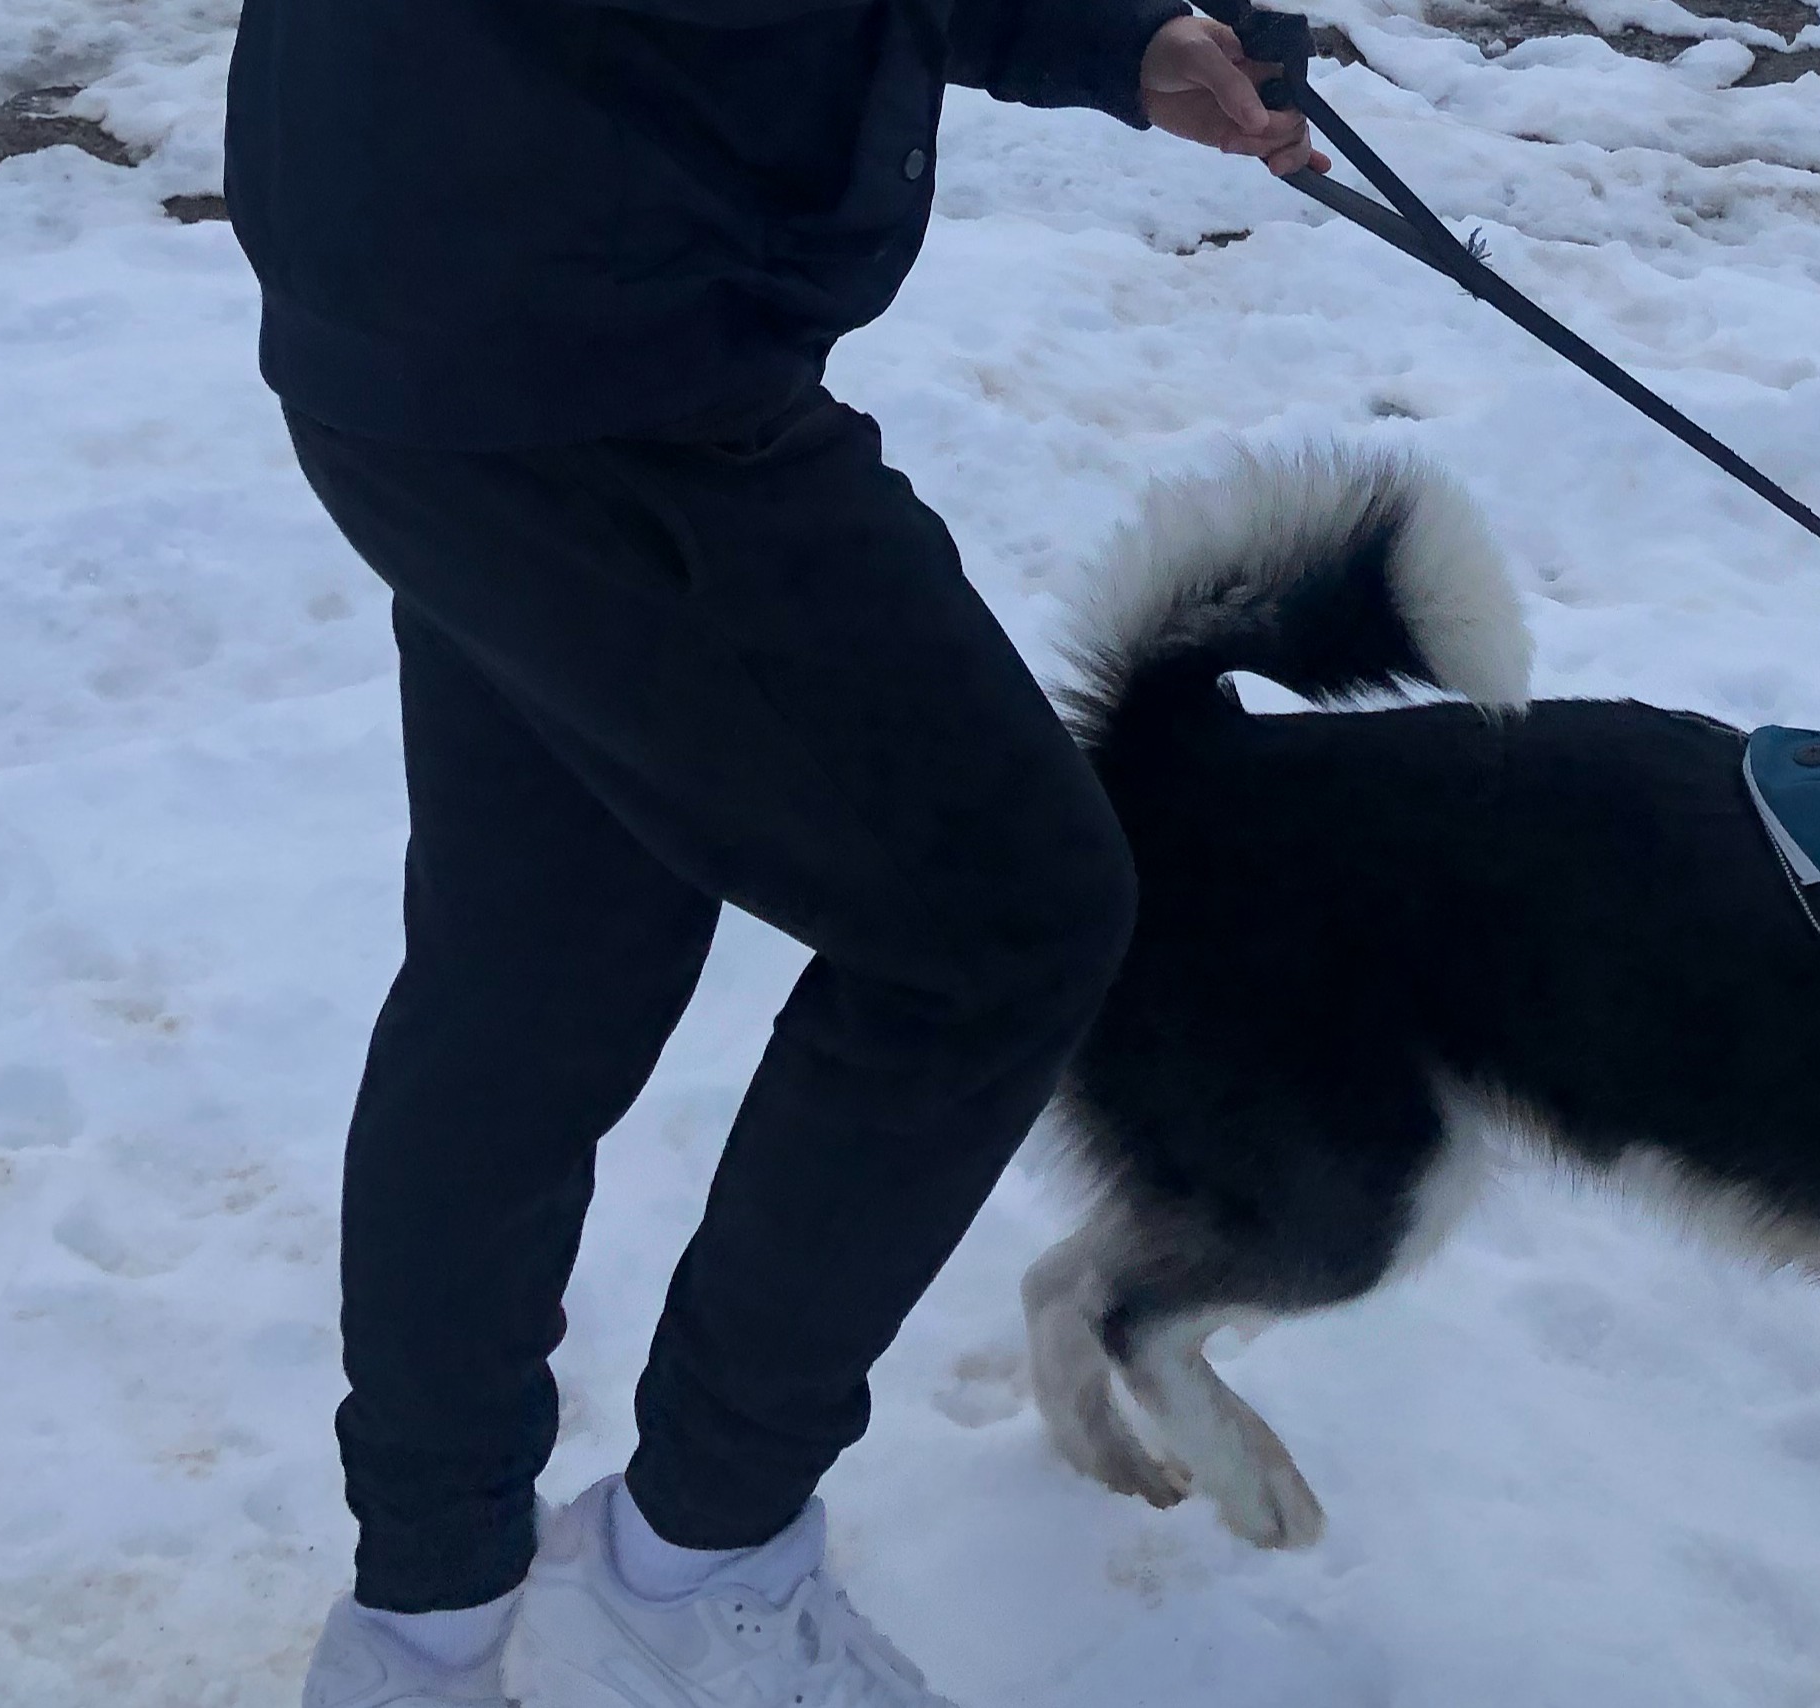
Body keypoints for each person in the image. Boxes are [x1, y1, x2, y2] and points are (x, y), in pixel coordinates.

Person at [222, 3, 1321, 1703]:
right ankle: (696, 1563)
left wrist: (1103, 39)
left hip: (443, 296)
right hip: (599, 346)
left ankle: (423, 1619)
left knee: (535, 970)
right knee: (1000, 920)